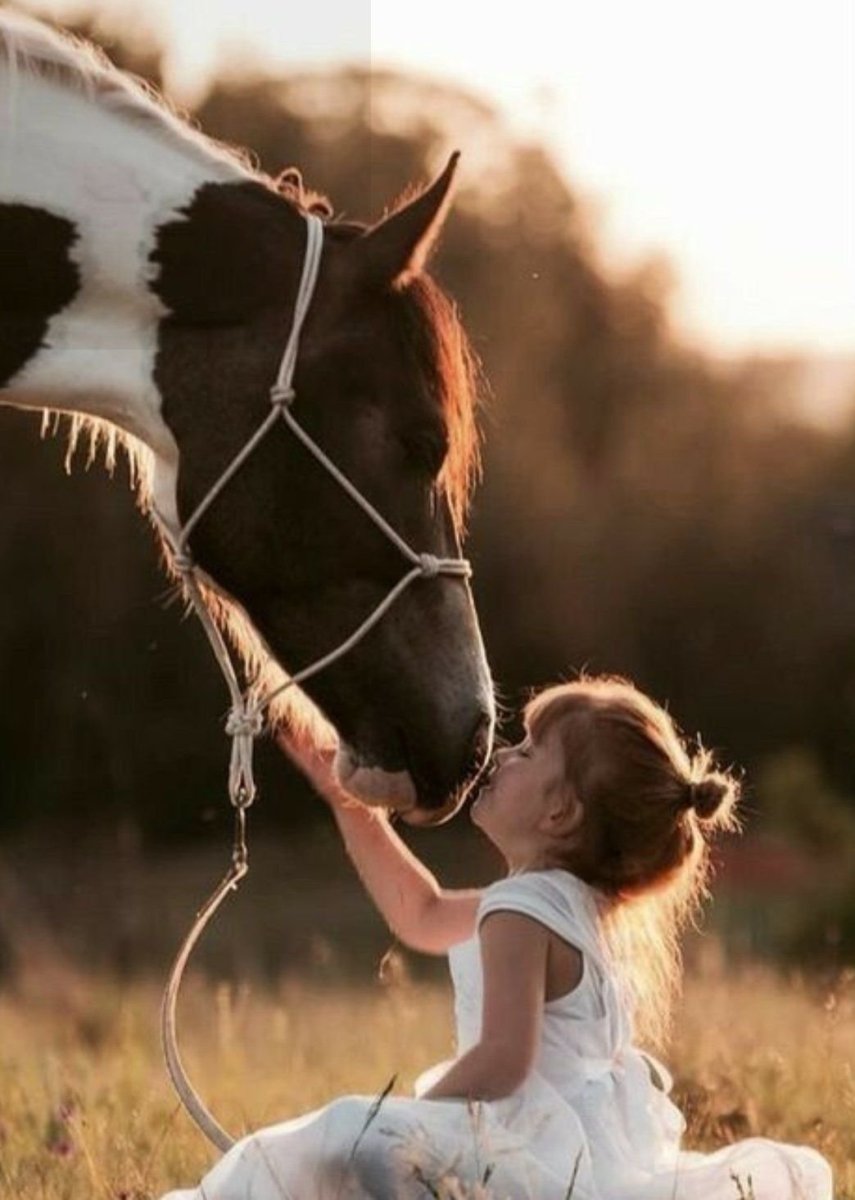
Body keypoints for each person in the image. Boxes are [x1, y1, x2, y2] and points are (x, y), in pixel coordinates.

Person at [161, 674, 834, 1199]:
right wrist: (348, 803)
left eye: (526, 752)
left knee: (341, 1139)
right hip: (575, 1146)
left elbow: (506, 1059)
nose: (502, 757)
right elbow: (419, 913)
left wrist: (412, 1117)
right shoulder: (570, 907)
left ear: (558, 810)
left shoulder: (522, 912)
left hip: (524, 1142)